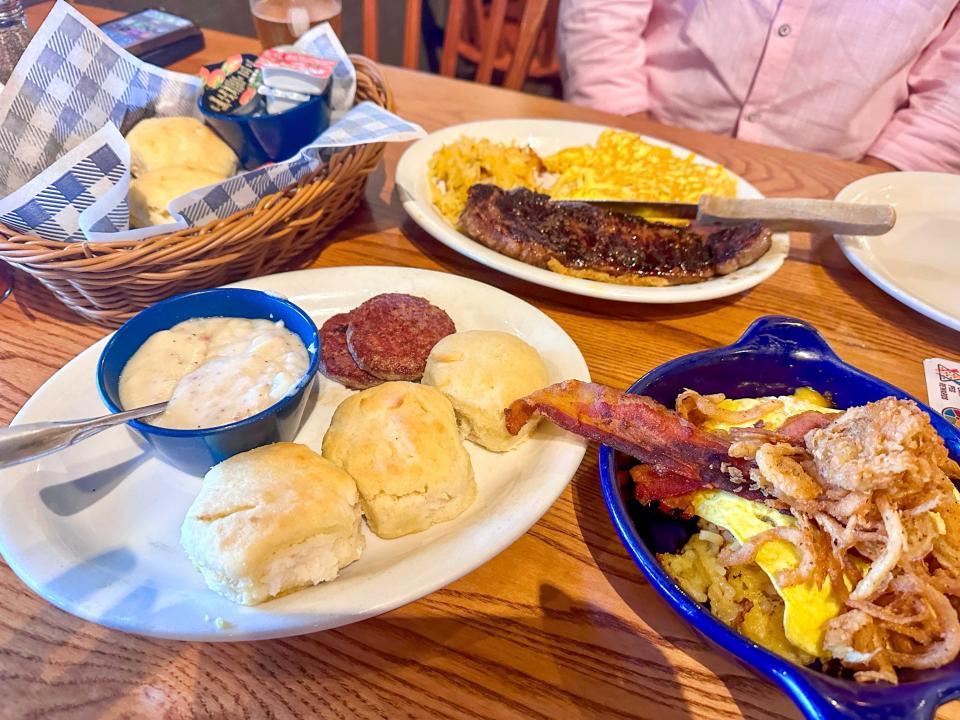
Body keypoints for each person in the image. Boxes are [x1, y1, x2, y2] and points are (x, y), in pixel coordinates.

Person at [557, 1, 960, 172]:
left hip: (836, 184)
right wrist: (631, 149)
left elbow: (949, 97)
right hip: (642, 131)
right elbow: (603, 12)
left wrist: (863, 199)